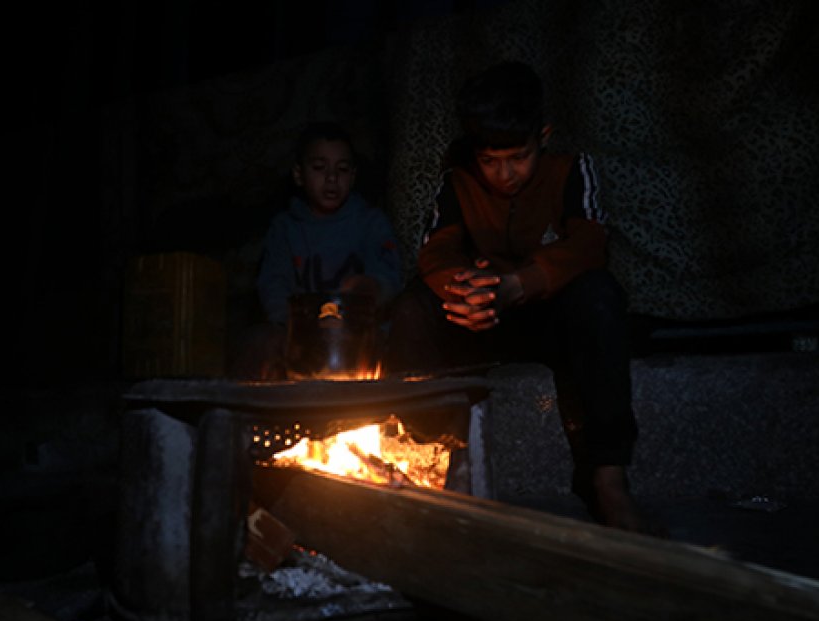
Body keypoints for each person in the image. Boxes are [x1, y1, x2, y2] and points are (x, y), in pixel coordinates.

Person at [384, 61, 668, 537]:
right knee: (412, 309)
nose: (504, 174)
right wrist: (467, 291)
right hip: (478, 325)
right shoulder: (457, 181)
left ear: (543, 136)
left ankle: (608, 480)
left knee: (599, 295)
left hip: (547, 321)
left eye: (517, 157)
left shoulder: (570, 169)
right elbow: (437, 252)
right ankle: (425, 461)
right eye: (490, 161)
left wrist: (518, 284)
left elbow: (589, 243)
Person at [233, 121, 403, 380]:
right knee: (259, 340)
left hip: (360, 335)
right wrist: (301, 327)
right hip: (300, 336)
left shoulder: (370, 222)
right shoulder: (286, 228)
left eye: (342, 169)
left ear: (353, 176)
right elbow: (273, 284)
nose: (332, 178)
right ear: (299, 175)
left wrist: (369, 289)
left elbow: (389, 273)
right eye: (319, 168)